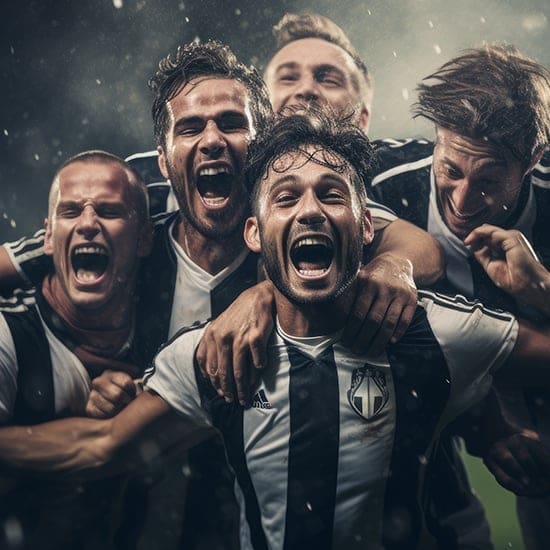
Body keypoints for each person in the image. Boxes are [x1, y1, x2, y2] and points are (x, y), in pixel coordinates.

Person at [2, 111, 550, 550]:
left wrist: (541, 292)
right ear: (254, 234)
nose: (309, 210)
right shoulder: (215, 353)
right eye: (286, 197)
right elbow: (103, 446)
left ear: (365, 228)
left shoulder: (431, 330)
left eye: (331, 194)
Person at [366, 44, 550, 549]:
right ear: (437, 139)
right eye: (450, 169)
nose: (464, 200)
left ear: (535, 158)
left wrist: (544, 291)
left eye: (489, 180)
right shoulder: (383, 181)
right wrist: (487, 424)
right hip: (439, 394)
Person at [0, 150, 152, 550]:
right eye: (71, 211)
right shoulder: (8, 335)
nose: (88, 223)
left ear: (144, 238)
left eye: (108, 210)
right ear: (47, 238)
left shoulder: (166, 325)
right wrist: (102, 430)